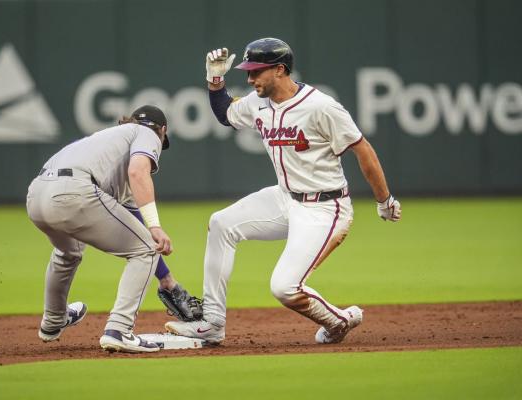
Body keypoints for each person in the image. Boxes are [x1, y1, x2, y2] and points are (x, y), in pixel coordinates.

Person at [165, 38, 402, 345]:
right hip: (284, 197)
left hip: (324, 208)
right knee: (221, 224)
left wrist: (384, 200)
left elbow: (363, 149)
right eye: (248, 72)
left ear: (279, 70)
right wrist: (215, 81)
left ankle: (340, 321)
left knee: (284, 287)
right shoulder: (258, 102)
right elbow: (226, 114)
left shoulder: (321, 106)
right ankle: (212, 323)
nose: (250, 79)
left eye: (256, 72)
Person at [27, 105, 200, 353]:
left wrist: (166, 279)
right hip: (73, 192)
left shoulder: (107, 142)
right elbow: (139, 172)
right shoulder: (147, 133)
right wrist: (156, 226)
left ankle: (53, 321)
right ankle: (119, 330)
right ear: (162, 131)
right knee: (146, 250)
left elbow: (132, 219)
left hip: (37, 195)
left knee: (68, 253)